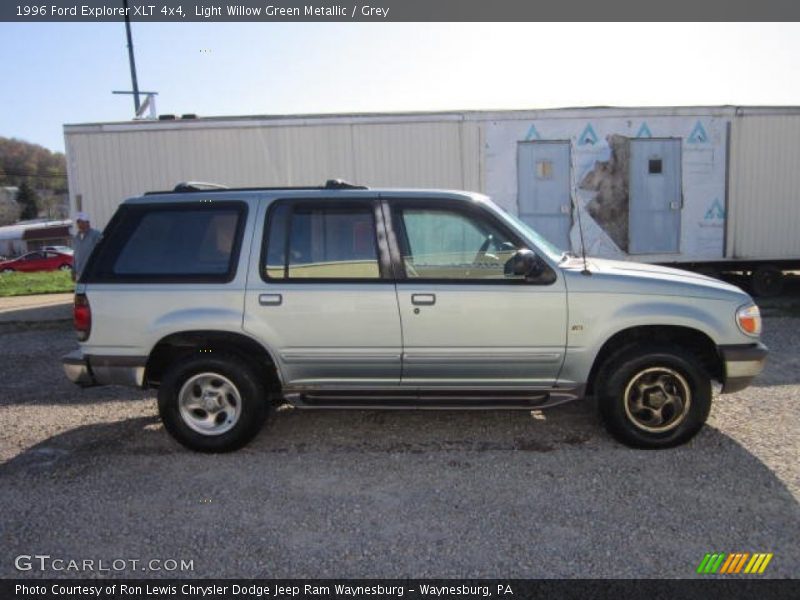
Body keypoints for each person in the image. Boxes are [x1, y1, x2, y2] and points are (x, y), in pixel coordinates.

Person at [72, 212, 101, 281]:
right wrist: (73, 271)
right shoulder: (76, 238)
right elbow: (75, 256)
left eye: (82, 222)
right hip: (80, 273)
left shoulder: (96, 235)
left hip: (92, 273)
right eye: (78, 222)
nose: (80, 224)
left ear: (88, 222)